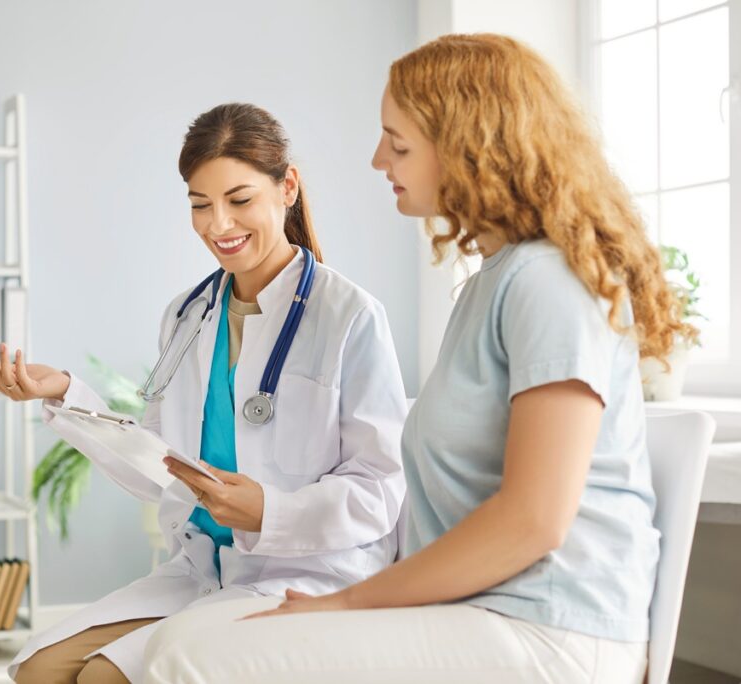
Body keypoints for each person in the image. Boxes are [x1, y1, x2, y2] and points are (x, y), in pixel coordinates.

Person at [143, 35, 693, 684]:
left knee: (185, 658)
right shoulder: (491, 282)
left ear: (472, 148)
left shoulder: (548, 282)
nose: (379, 158)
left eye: (398, 144)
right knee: (192, 638)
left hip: (550, 632)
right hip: (485, 614)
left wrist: (347, 603)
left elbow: (533, 522)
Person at [0, 102, 409, 684]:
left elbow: (380, 489)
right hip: (206, 567)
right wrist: (65, 394)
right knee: (39, 672)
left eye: (239, 199)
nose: (217, 225)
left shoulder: (349, 316)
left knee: (106, 678)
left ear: (288, 188)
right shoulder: (188, 314)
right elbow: (159, 464)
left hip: (306, 572)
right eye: (200, 205)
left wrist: (268, 511)